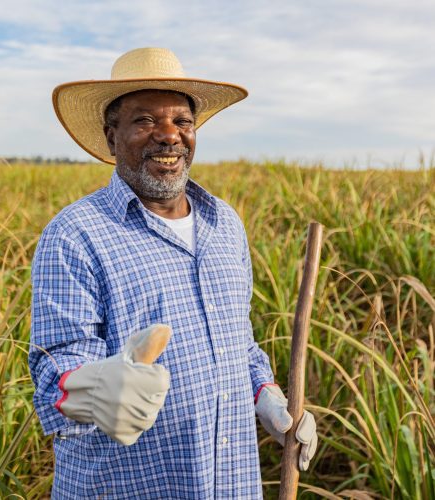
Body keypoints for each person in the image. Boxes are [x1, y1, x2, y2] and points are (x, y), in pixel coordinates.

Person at [29, 47, 317, 499]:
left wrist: (266, 394)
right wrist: (93, 387)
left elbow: (237, 341)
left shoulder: (225, 223)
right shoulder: (75, 234)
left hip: (232, 483)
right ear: (111, 137)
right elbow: (57, 369)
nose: (169, 136)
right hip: (128, 487)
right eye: (145, 121)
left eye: (182, 121)